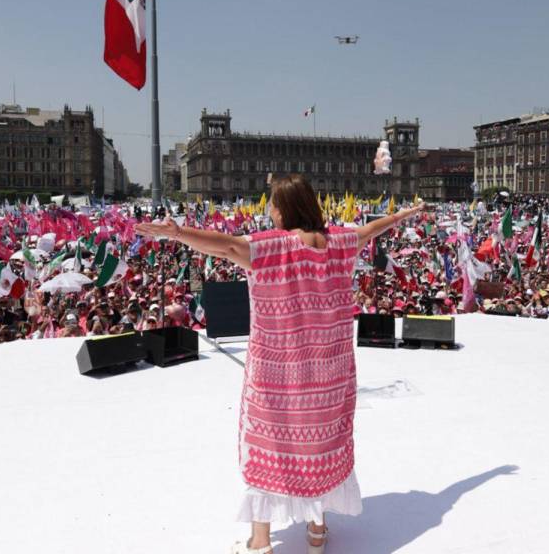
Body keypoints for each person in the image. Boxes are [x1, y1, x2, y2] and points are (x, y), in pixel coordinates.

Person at [137, 174, 424, 554]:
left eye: (272, 203)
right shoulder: (339, 241)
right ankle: (317, 533)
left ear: (283, 208)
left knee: (267, 453)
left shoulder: (269, 247)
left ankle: (260, 541)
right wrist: (404, 214)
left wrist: (177, 233)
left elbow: (222, 246)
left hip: (278, 378)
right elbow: (372, 229)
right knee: (319, 449)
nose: (269, 209)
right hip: (329, 378)